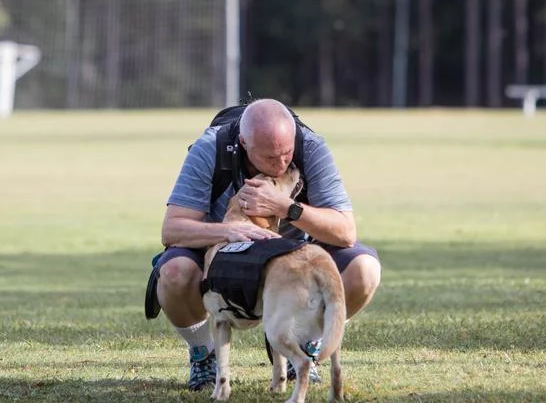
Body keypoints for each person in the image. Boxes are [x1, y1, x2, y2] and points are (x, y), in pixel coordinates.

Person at [155, 98, 381, 391]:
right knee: (174, 272)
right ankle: (203, 355)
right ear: (244, 144)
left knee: (365, 270)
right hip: (222, 254)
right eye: (270, 158)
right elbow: (172, 229)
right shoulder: (211, 148)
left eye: (286, 153)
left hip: (296, 260)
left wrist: (287, 208)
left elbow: (346, 231)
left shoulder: (310, 147)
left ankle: (302, 344)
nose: (282, 163)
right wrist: (228, 230)